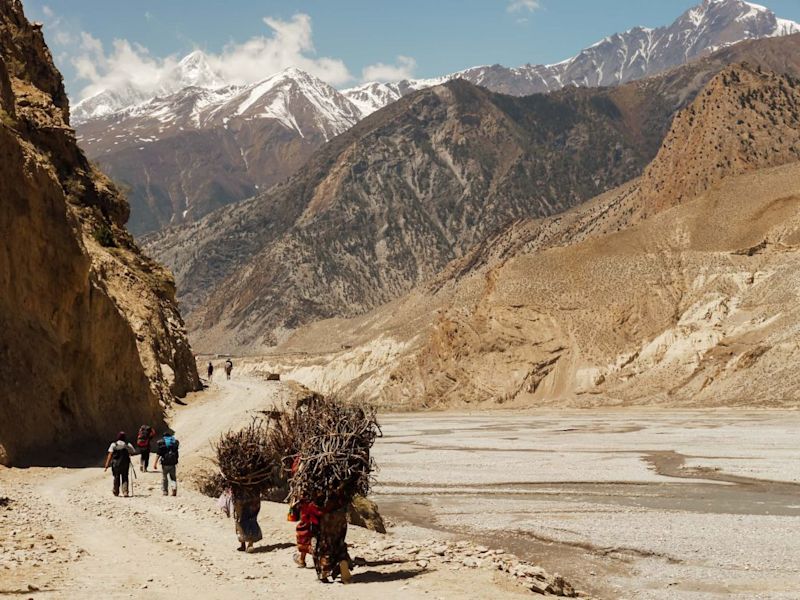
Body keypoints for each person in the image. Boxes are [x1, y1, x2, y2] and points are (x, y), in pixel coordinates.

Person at [314, 494, 352, 583]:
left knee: (324, 544)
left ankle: (324, 573)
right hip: (340, 515)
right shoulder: (343, 489)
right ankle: (343, 563)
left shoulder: (321, 488)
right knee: (339, 541)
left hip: (325, 516)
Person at [104, 432, 136, 497]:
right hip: (125, 464)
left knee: (116, 477)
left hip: (116, 464)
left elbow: (110, 454)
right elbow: (133, 451)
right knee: (125, 477)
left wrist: (107, 465)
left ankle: (116, 491)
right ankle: (125, 492)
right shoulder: (127, 444)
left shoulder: (113, 444)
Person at [232, 487, 262, 552]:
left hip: (246, 497)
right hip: (249, 497)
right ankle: (245, 544)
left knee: (247, 519)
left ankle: (248, 544)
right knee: (245, 519)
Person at [154, 429, 180, 496]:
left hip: (164, 463)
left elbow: (158, 454)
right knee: (173, 477)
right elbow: (177, 454)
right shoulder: (173, 442)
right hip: (173, 463)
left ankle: (165, 492)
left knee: (164, 478)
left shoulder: (162, 443)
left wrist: (155, 463)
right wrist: (176, 460)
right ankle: (174, 488)